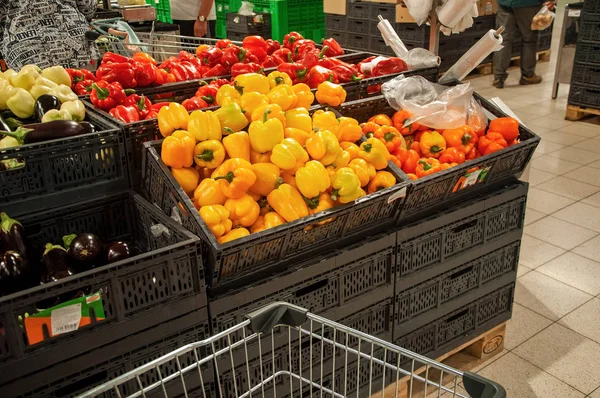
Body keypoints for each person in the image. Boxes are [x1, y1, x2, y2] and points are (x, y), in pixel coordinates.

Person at [0, 0, 99, 70]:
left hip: (25, 51)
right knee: (84, 92)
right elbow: (88, 8)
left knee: (33, 94)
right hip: (75, 48)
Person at [493, 0, 555, 88]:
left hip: (505, 3)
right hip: (528, 3)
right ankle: (528, 75)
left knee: (503, 40)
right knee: (529, 40)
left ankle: (498, 77)